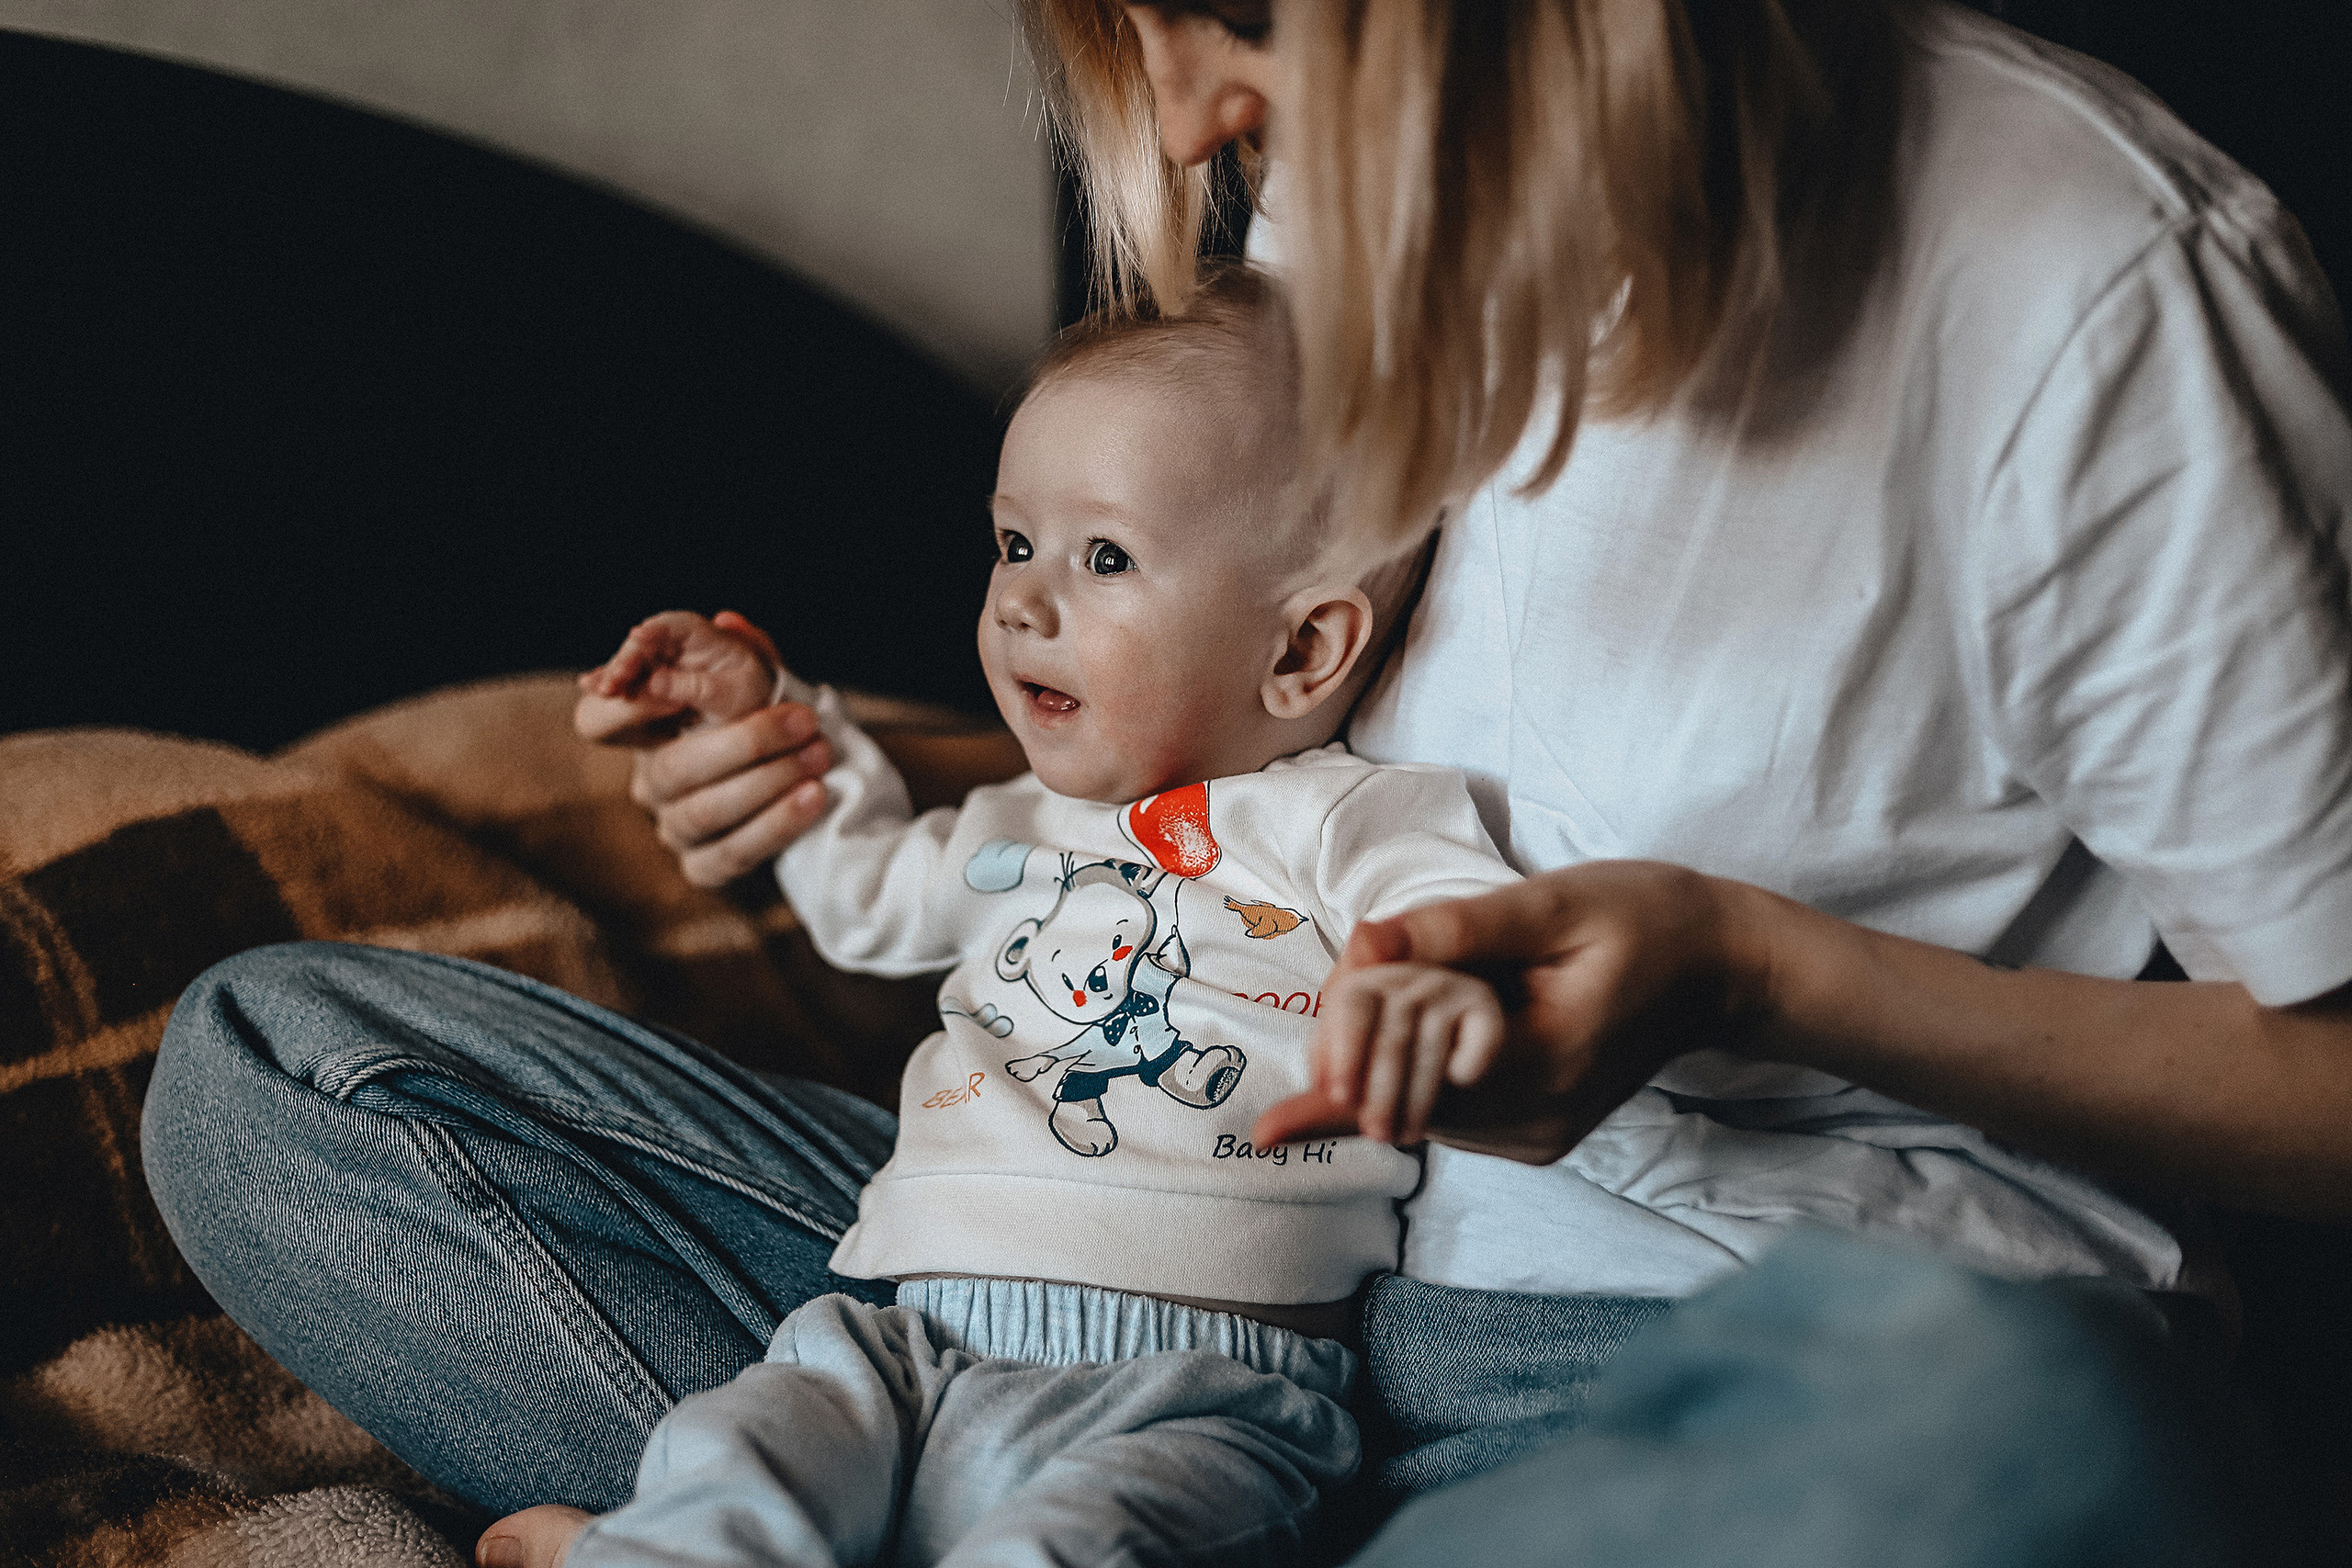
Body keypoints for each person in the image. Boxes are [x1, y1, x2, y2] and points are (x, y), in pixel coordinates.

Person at [138, 0, 2350, 1562]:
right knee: (273, 1066)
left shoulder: (2087, 298)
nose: (1198, 123)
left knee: (2019, 1429)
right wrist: (837, 765)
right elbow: (1235, 784)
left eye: (1248, 22)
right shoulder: (1329, 179)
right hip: (1164, 1256)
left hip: (1703, 1340)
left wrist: (1753, 972)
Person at [481, 271, 1521, 1567]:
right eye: (1015, 544)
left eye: (1103, 557)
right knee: (737, 1453)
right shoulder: (1016, 828)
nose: (1023, 601)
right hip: (903, 1348)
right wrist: (772, 723)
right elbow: (862, 889)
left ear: (1303, 651)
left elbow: (1472, 932)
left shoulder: (1336, 823)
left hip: (1196, 1399)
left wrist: (1442, 989)